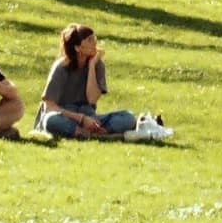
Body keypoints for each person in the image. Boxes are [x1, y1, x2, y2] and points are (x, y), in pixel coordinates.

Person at [34, 23, 172, 142]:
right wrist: (81, 119)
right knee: (51, 121)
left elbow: (92, 99)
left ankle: (87, 133)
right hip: (64, 115)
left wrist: (92, 66)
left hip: (89, 116)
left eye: (94, 38)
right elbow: (49, 107)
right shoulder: (61, 67)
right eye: (89, 40)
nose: (95, 42)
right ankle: (99, 135)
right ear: (77, 47)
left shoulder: (98, 65)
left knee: (128, 118)